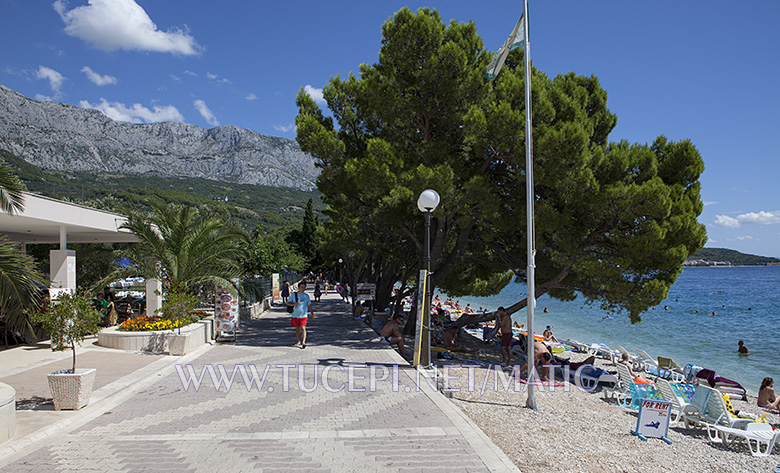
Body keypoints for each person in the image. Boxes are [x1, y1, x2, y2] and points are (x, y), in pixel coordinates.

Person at [288, 282, 314, 348]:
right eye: (301, 287)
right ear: (298, 287)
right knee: (297, 329)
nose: (303, 288)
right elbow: (288, 303)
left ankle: (303, 342)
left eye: (304, 287)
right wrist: (293, 304)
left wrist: (312, 313)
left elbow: (309, 305)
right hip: (295, 315)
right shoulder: (294, 295)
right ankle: (298, 341)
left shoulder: (306, 296)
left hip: (304, 315)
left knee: (303, 328)